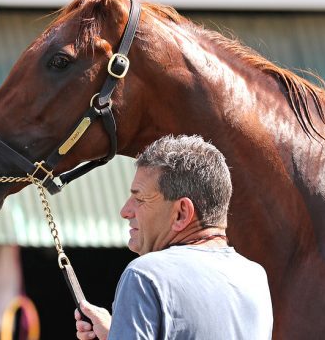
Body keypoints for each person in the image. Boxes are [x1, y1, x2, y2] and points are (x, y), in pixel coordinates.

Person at [75, 135, 273, 339]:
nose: (125, 211)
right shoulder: (254, 277)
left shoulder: (145, 275)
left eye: (140, 199)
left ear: (181, 213)